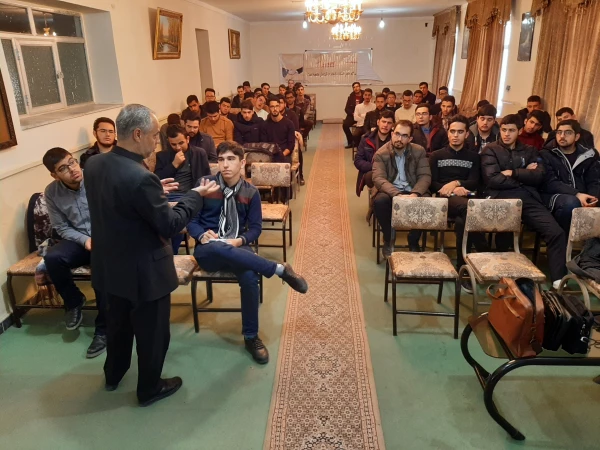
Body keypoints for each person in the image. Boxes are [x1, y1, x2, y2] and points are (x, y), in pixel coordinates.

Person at [84, 103, 220, 407]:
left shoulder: (94, 164)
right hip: (144, 271)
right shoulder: (139, 177)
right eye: (155, 135)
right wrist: (194, 196)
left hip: (109, 266)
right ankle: (149, 388)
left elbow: (118, 202)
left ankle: (113, 374)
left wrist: (155, 190)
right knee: (153, 334)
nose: (157, 141)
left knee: (118, 327)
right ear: (137, 134)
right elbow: (170, 224)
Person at [188, 142, 308, 364]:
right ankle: (278, 269)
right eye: (221, 160)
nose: (225, 165)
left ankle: (251, 337)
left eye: (231, 159)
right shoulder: (205, 185)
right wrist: (201, 234)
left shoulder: (250, 192)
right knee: (217, 246)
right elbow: (191, 220)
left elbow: (255, 229)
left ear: (242, 162)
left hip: (237, 245)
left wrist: (239, 240)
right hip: (208, 249)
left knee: (250, 276)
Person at [481, 114, 567, 288]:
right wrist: (524, 174)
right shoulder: (490, 149)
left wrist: (513, 173)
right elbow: (492, 179)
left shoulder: (530, 151)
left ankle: (558, 281)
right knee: (505, 234)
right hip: (500, 196)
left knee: (556, 232)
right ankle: (502, 280)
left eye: (511, 130)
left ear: (519, 131)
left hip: (527, 196)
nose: (506, 134)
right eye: (504, 130)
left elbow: (539, 176)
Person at [42, 148, 107, 358]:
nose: (72, 169)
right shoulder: (52, 192)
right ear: (54, 175)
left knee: (100, 271)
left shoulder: (97, 178)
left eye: (72, 162)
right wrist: (85, 240)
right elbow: (61, 227)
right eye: (63, 168)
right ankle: (73, 301)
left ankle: (104, 329)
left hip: (106, 239)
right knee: (52, 257)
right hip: (80, 240)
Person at [429, 116, 489, 288]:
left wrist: (456, 184)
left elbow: (474, 182)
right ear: (448, 133)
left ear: (467, 134)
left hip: (468, 197)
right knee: (467, 208)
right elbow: (432, 183)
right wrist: (450, 190)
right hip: (445, 200)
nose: (456, 135)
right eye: (452, 131)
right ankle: (484, 251)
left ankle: (462, 267)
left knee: (463, 220)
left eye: (460, 132)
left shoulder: (474, 157)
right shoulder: (436, 155)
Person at [372, 120, 431, 257]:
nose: (399, 139)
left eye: (404, 136)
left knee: (427, 201)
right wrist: (397, 194)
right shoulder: (381, 153)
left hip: (412, 189)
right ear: (392, 134)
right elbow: (378, 178)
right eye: (397, 134)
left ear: (410, 139)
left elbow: (425, 176)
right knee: (379, 202)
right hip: (391, 191)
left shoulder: (419, 151)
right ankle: (388, 238)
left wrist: (415, 193)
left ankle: (413, 240)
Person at [155, 124, 211, 254]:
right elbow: (157, 180)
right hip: (167, 196)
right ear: (168, 142)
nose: (178, 147)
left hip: (190, 195)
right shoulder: (162, 156)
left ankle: (172, 254)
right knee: (169, 219)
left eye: (181, 143)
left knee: (177, 217)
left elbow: (206, 177)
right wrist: (174, 165)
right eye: (173, 144)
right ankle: (169, 254)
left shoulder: (199, 153)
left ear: (187, 139)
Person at [540, 119, 600, 233]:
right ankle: (564, 239)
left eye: (568, 132)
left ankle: (592, 243)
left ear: (577, 136)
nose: (562, 136)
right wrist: (577, 194)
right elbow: (550, 182)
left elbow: (594, 180)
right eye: (559, 132)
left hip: (582, 195)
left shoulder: (588, 155)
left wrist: (592, 198)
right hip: (554, 196)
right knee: (571, 203)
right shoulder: (546, 154)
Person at [355, 109, 394, 213]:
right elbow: (358, 161)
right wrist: (375, 167)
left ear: (392, 125)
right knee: (370, 176)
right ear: (378, 122)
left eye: (389, 123)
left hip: (391, 172)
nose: (385, 125)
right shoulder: (366, 138)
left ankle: (375, 201)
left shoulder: (395, 140)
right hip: (372, 172)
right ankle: (380, 203)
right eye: (383, 122)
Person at [261, 98, 295, 163]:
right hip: (269, 155)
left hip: (284, 155)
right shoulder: (264, 125)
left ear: (279, 107)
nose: (275, 109)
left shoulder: (289, 124)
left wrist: (282, 155)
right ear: (269, 108)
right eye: (272, 106)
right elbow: (264, 144)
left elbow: (290, 145)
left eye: (277, 106)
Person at [342, 81, 364, 149]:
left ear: (360, 87)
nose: (356, 88)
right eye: (354, 87)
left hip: (363, 115)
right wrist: (352, 113)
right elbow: (346, 109)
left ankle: (360, 142)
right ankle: (351, 142)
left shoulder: (365, 95)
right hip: (353, 115)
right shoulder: (351, 97)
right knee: (345, 125)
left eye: (357, 87)